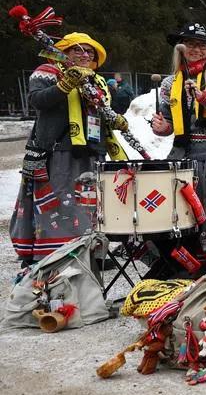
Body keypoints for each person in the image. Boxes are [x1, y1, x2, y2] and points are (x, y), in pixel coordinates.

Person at [10, 32, 129, 267]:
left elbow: (100, 112)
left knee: (90, 203)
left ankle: (91, 253)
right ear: (64, 52)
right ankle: (56, 255)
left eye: (89, 51)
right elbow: (37, 100)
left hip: (92, 151)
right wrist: (64, 86)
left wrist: (114, 119)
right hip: (58, 151)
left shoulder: (96, 81)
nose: (85, 55)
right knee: (59, 203)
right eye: (78, 50)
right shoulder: (49, 71)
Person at [150, 23, 206, 264]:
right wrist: (162, 128)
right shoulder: (170, 84)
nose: (196, 49)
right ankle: (197, 274)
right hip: (186, 158)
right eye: (191, 44)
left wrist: (203, 96)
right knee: (186, 220)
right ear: (180, 49)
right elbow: (170, 123)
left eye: (202, 45)